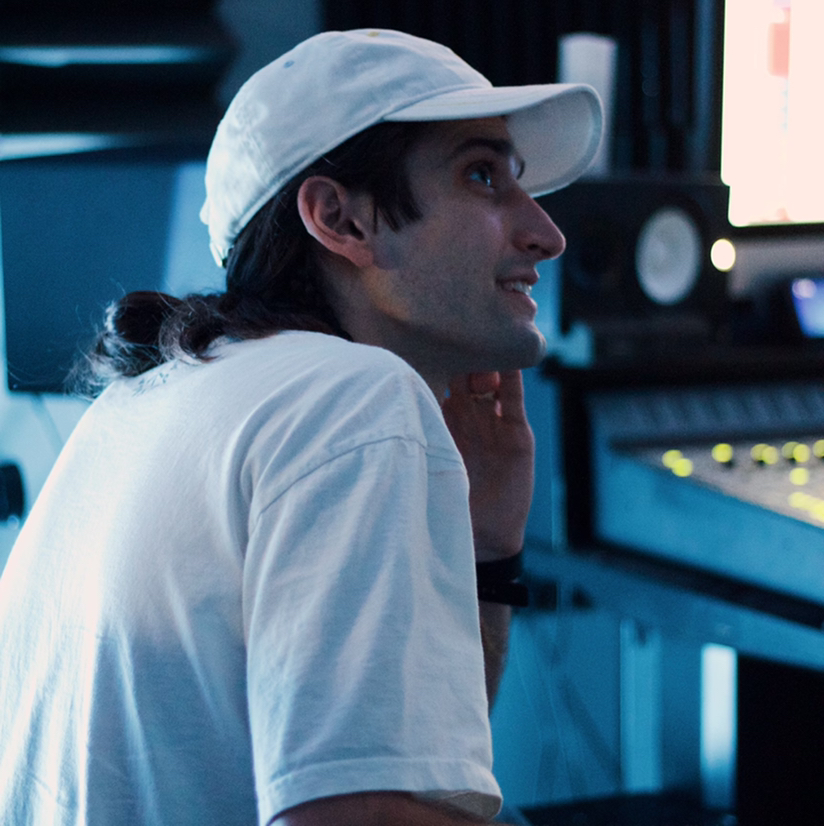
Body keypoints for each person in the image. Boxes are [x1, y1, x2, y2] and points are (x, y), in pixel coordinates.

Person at [0, 28, 602, 826]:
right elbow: (354, 816)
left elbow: (397, 767)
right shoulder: (355, 398)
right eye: (482, 175)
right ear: (339, 219)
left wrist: (486, 552)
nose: (547, 235)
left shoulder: (142, 402)